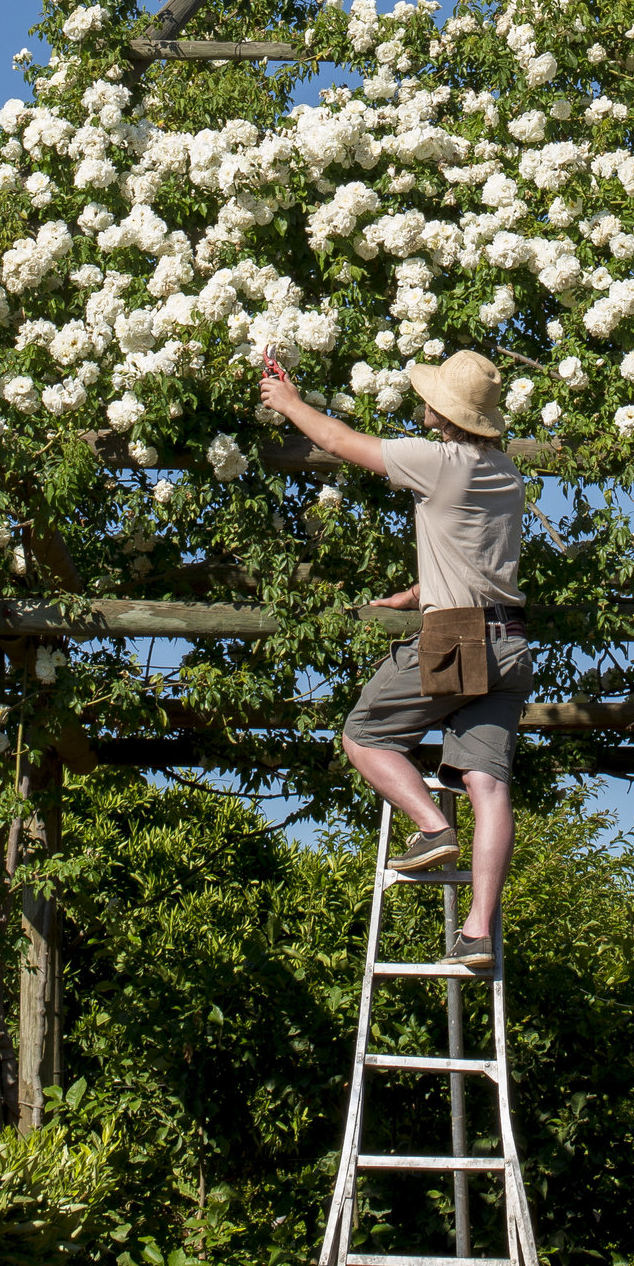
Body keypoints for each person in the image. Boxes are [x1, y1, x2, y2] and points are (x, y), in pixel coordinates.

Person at [256, 344, 527, 974]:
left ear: (442, 410)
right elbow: (470, 553)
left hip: (459, 636)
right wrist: (414, 593)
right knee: (488, 786)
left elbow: (342, 442)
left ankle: (432, 829)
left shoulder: (438, 461)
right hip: (510, 640)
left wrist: (290, 402)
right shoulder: (507, 474)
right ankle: (478, 933)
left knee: (365, 735)